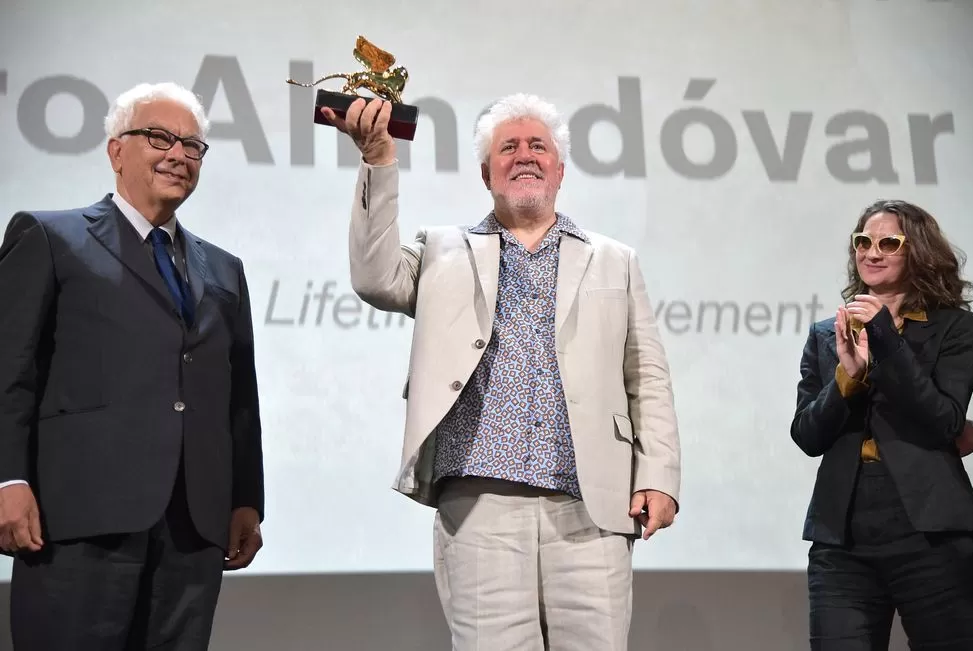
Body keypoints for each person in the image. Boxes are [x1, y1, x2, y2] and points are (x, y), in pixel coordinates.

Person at [321, 93, 681, 650]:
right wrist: (378, 160)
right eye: (508, 148)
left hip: (591, 507)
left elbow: (647, 375)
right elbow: (374, 277)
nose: (525, 155)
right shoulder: (442, 250)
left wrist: (658, 474)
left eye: (538, 146)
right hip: (479, 510)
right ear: (486, 173)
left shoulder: (615, 259)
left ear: (560, 169)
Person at [0, 81, 265, 650]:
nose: (178, 154)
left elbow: (239, 395)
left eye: (192, 145)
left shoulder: (224, 269)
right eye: (159, 137)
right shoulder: (50, 237)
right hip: (79, 517)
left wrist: (246, 498)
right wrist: (7, 478)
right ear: (116, 151)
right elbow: (8, 372)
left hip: (193, 526)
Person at [790, 199, 973, 650]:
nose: (871, 253)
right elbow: (807, 435)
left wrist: (885, 338)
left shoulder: (955, 327)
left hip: (929, 531)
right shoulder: (828, 333)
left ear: (918, 252)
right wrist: (847, 378)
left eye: (888, 243)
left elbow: (943, 420)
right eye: (863, 242)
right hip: (842, 534)